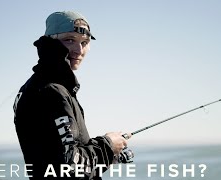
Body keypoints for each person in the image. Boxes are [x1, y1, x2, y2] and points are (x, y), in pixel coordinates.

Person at [13, 11, 133, 179]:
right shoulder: (52, 91)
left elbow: (58, 155)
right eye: (70, 40)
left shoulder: (45, 86)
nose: (78, 50)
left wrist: (110, 153)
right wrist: (108, 146)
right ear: (50, 41)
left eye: (85, 42)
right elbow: (70, 168)